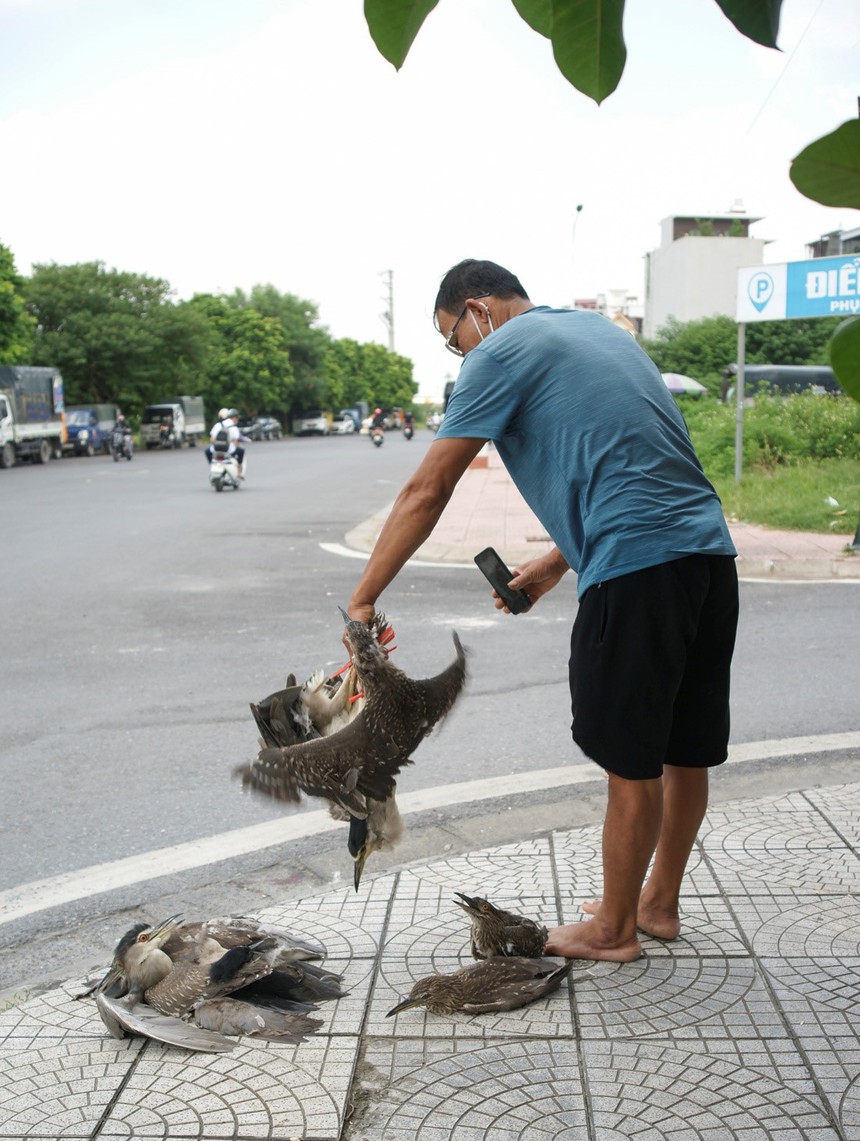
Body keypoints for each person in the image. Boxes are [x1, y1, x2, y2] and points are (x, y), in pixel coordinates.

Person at [346, 258, 739, 963]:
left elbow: (428, 488)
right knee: (685, 746)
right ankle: (657, 903)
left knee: (631, 758)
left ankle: (615, 929)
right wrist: (559, 560)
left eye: (452, 337)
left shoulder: (496, 351)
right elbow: (627, 452)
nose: (462, 353)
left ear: (478, 309)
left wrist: (362, 598)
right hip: (706, 554)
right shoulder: (599, 332)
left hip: (638, 566)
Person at [206, 408, 247, 477]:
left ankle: (213, 465)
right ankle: (239, 471)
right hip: (229, 451)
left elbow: (212, 439)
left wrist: (217, 445)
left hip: (215, 450)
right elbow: (235, 442)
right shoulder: (234, 427)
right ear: (234, 417)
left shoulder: (218, 425)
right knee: (241, 451)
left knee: (207, 451)